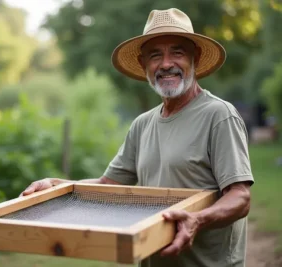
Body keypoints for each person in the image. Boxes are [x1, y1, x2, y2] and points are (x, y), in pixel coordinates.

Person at [19, 8, 254, 267]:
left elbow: (240, 197)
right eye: (155, 55)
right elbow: (108, 185)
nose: (166, 64)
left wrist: (197, 219)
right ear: (144, 65)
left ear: (194, 58)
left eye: (177, 52)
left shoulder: (219, 116)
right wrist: (57, 186)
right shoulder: (143, 125)